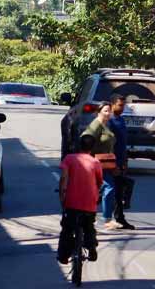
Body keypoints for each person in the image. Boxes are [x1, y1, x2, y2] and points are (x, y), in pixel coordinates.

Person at [57, 134, 103, 263]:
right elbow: (99, 182)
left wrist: (62, 196)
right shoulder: (95, 162)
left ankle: (63, 256)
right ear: (92, 148)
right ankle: (92, 247)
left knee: (67, 229)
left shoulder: (69, 159)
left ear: (79, 145)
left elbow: (64, 178)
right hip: (89, 204)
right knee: (89, 226)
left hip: (71, 202)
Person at [82, 103, 120, 229]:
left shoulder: (105, 124)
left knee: (98, 190)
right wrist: (90, 159)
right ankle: (104, 219)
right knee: (108, 188)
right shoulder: (96, 125)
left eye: (110, 111)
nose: (108, 113)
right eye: (105, 111)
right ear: (98, 112)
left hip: (106, 163)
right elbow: (85, 140)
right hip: (96, 163)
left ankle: (94, 219)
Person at [107, 94, 135, 230]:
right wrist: (113, 164)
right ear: (112, 105)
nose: (122, 108)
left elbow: (123, 143)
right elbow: (108, 144)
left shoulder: (121, 120)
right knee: (110, 191)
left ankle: (120, 218)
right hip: (112, 162)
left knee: (121, 189)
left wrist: (124, 160)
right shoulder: (109, 121)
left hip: (121, 160)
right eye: (120, 105)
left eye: (124, 105)